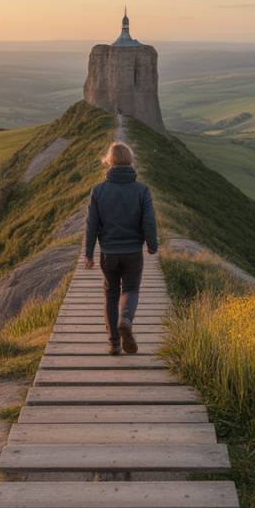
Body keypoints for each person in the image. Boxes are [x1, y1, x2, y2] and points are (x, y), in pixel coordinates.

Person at [84, 141, 158, 355]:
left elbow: (92, 225)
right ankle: (125, 319)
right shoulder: (142, 190)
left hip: (108, 253)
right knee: (131, 290)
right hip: (133, 252)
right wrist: (152, 245)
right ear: (130, 161)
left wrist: (89, 254)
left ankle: (114, 343)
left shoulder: (98, 190)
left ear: (109, 161)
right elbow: (149, 222)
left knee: (110, 294)